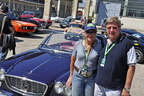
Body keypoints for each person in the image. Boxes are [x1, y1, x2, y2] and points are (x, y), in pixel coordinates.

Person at [94, 16, 136, 96]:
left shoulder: (127, 44)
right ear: (106, 29)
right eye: (109, 28)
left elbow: (132, 67)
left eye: (114, 28)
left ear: (119, 28)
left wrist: (126, 89)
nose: (111, 30)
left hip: (114, 89)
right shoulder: (102, 42)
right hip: (98, 86)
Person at [66, 23, 102, 96]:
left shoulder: (100, 45)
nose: (90, 34)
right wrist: (70, 76)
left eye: (93, 32)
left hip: (91, 77)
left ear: (96, 33)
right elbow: (72, 61)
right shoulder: (78, 44)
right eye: (88, 32)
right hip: (77, 76)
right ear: (84, 33)